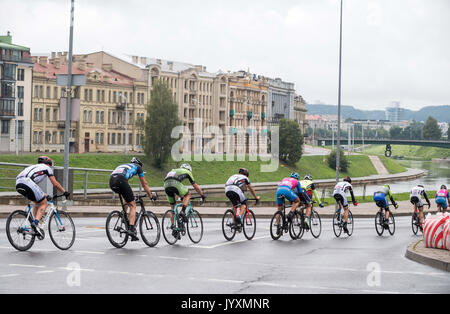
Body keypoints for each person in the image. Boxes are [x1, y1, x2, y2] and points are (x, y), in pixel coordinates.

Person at [15, 156, 70, 237]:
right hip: (27, 182)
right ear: (49, 164)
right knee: (44, 203)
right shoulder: (47, 168)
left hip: (18, 183)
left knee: (37, 201)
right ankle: (35, 223)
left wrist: (45, 195)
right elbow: (55, 184)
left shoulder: (33, 167)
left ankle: (34, 224)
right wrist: (65, 192)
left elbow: (34, 187)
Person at [109, 157, 156, 241]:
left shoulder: (125, 165)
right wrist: (150, 195)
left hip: (112, 180)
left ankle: (124, 216)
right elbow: (144, 184)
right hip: (121, 180)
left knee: (127, 199)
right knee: (133, 205)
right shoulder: (138, 167)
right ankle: (131, 229)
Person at [164, 163, 206, 230]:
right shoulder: (188, 172)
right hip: (175, 183)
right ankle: (183, 211)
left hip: (166, 185)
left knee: (172, 207)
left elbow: (174, 184)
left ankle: (173, 226)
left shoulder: (174, 170)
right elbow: (195, 186)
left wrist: (181, 196)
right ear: (189, 169)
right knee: (188, 194)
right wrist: (202, 194)